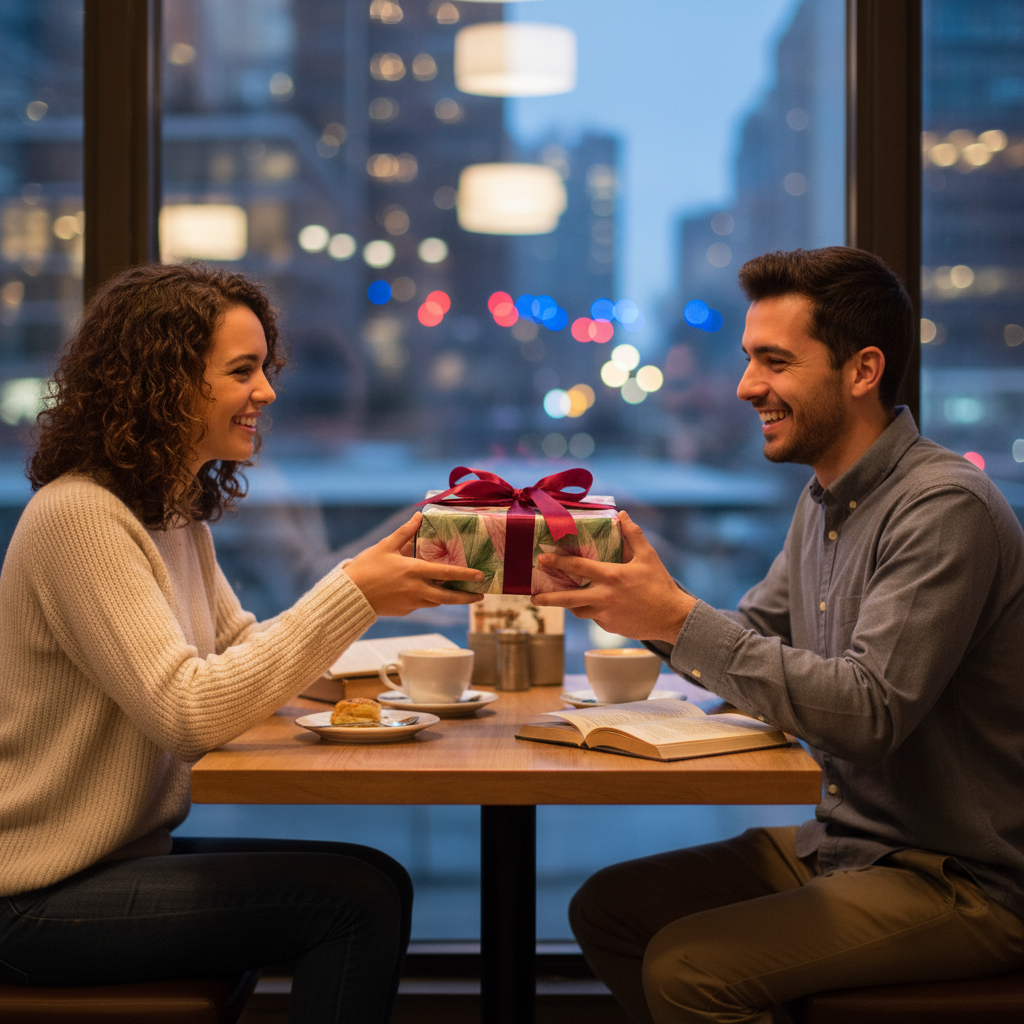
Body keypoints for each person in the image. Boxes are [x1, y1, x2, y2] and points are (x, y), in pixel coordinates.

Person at [533, 247, 1024, 1023]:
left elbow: (865, 717)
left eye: (774, 361)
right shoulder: (825, 497)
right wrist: (632, 600)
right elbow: (756, 633)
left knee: (689, 971)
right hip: (847, 846)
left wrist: (671, 617)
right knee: (609, 909)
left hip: (960, 878)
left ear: (862, 371)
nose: (745, 386)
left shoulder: (943, 507)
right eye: (748, 359)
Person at [0, 262, 484, 1022]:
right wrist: (357, 590)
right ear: (161, 382)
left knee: (379, 879)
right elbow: (189, 713)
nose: (267, 392)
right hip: (29, 897)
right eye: (242, 371)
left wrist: (421, 660)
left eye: (265, 368)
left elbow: (243, 654)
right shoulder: (80, 519)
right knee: (354, 903)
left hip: (114, 859)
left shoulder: (171, 514)